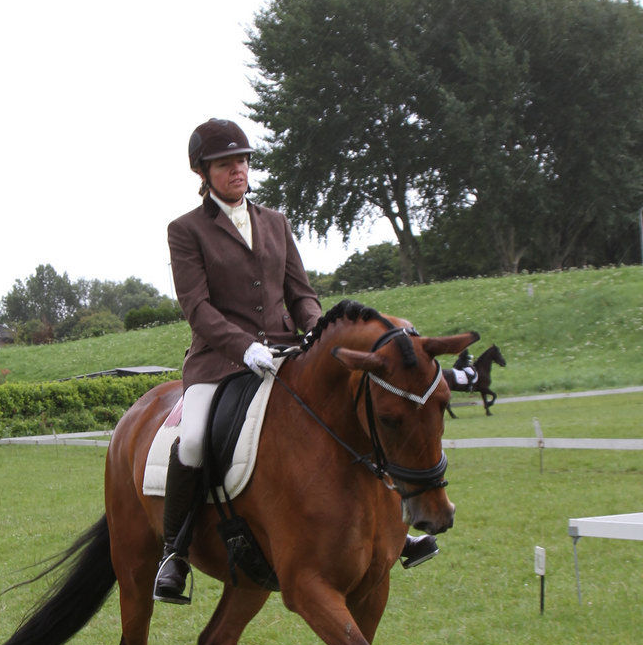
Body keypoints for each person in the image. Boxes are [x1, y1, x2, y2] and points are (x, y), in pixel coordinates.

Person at [154, 119, 436, 602]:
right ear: (202, 172)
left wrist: (317, 332)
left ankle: (394, 528)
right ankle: (174, 552)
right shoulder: (185, 231)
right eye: (225, 164)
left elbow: (301, 294)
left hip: (285, 353)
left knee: (356, 416)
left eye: (242, 161)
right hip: (219, 363)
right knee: (195, 441)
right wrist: (244, 346)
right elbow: (197, 309)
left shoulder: (275, 222)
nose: (238, 170)